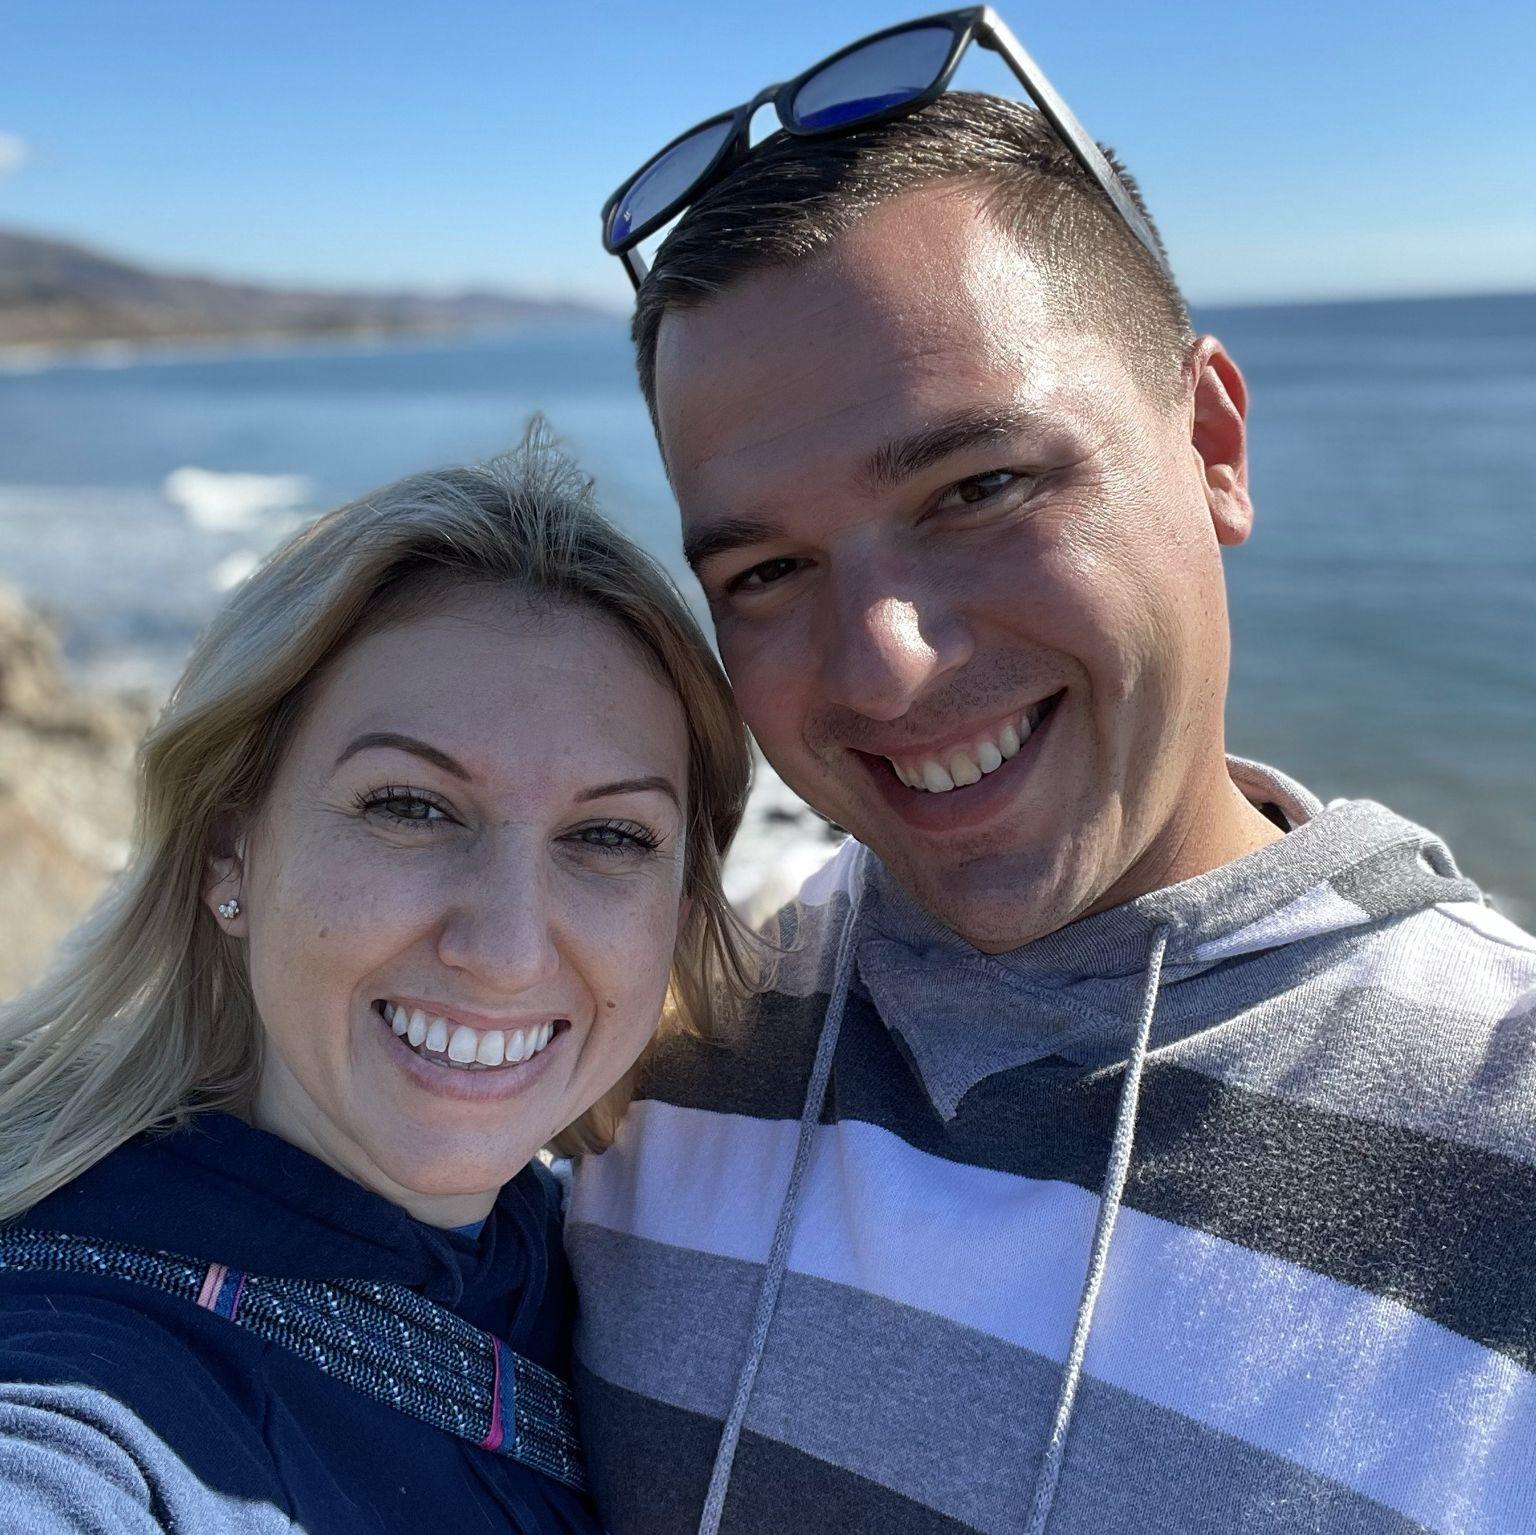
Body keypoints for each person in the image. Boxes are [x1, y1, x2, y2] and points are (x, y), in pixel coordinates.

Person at [567, 22, 1536, 1535]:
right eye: (765, 571)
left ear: (1210, 441)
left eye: (979, 487)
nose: (883, 666)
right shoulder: (642, 1066)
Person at [0, 429, 757, 1534]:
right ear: (229, 851)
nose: (506, 948)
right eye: (410, 806)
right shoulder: (85, 1381)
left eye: (608, 834)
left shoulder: (632, 1266)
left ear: (681, 910)